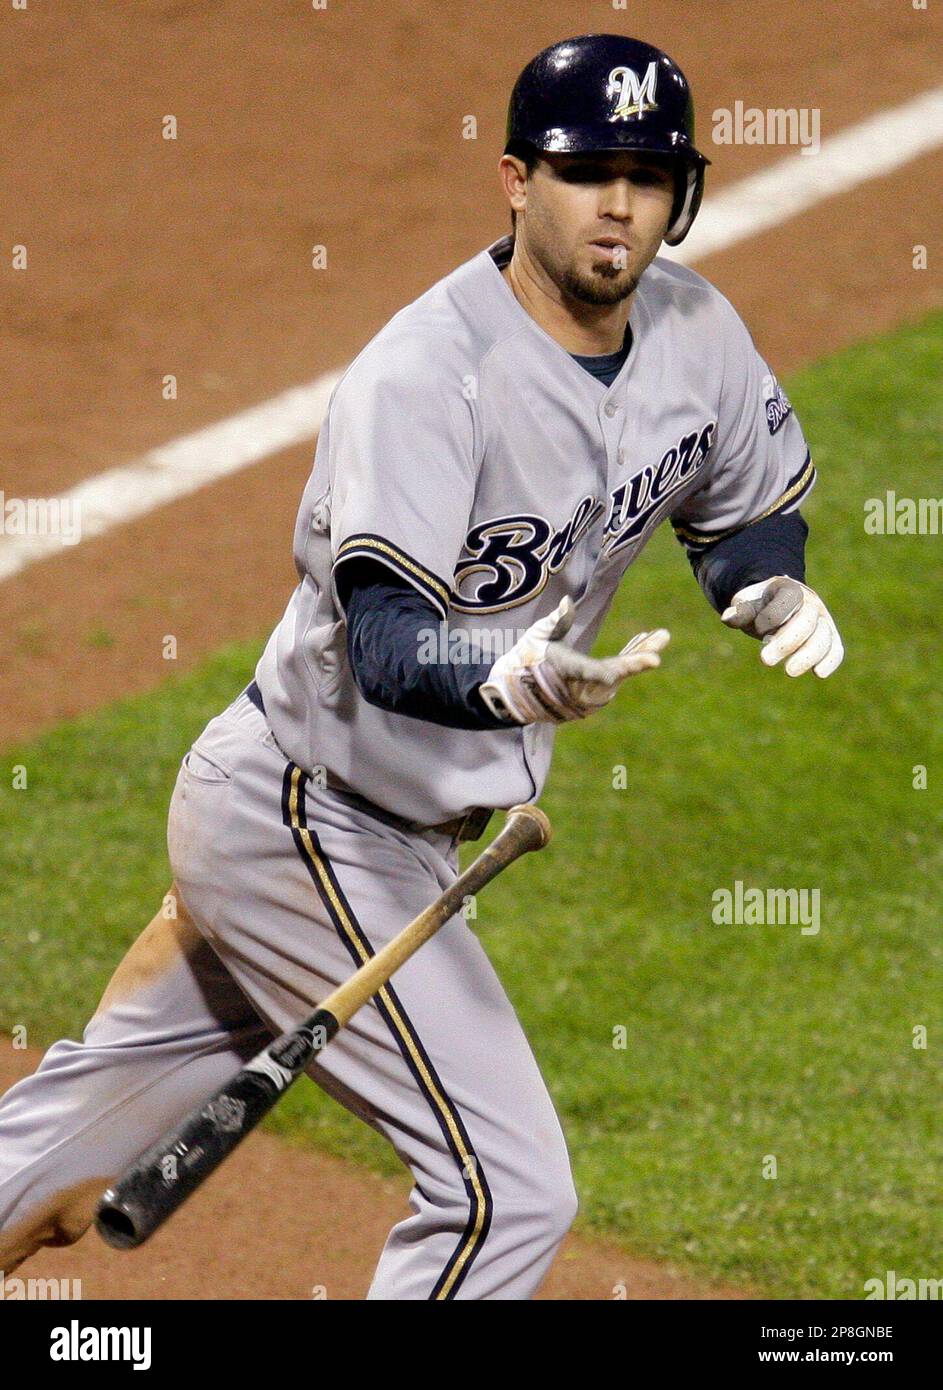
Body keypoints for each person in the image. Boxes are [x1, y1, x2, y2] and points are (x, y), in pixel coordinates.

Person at [0, 34, 842, 1300]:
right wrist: (501, 678)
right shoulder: (426, 374)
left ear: (682, 195)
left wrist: (764, 583)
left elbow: (741, 502)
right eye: (585, 169)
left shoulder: (694, 330)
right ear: (515, 181)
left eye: (648, 174)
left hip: (372, 833)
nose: (618, 202)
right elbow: (388, 636)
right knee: (506, 1191)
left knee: (69, 1147)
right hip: (301, 818)